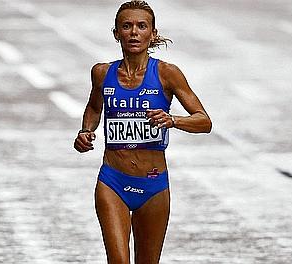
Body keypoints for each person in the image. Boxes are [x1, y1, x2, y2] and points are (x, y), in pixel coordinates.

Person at [73, 1, 212, 263]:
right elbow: (93, 107)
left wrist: (172, 120)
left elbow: (204, 121)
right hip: (112, 181)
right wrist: (85, 131)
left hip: (153, 185)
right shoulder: (102, 73)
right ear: (116, 33)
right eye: (126, 26)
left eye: (141, 26)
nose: (134, 32)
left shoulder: (167, 74)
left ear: (153, 33)